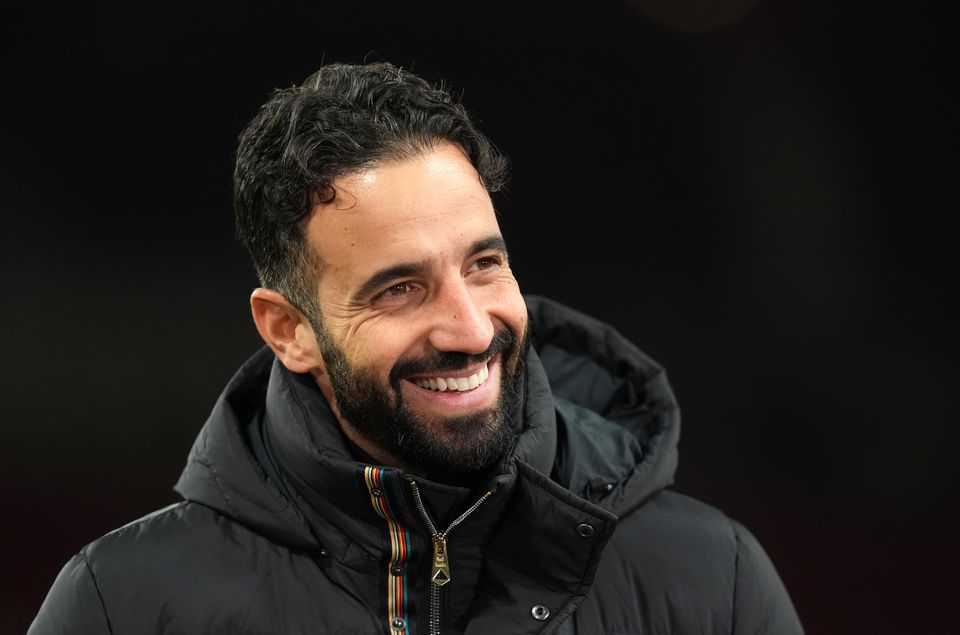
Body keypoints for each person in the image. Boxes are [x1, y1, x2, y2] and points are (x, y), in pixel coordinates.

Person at [29, 61, 804, 634]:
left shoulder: (712, 581)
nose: (470, 330)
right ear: (288, 330)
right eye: (399, 288)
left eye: (483, 263)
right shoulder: (120, 605)